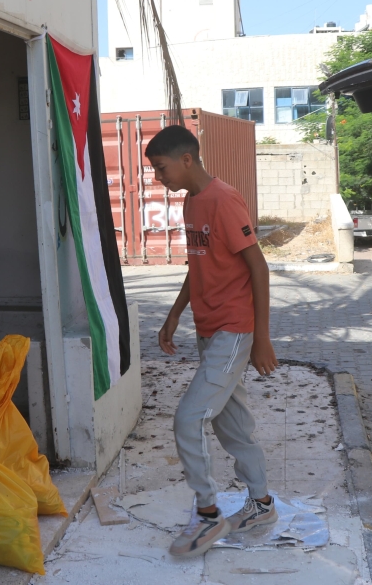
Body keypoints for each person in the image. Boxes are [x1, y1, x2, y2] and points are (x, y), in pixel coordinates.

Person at [146, 125, 278, 557]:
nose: (158, 178)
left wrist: (262, 339)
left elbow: (258, 267)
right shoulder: (192, 203)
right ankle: (260, 505)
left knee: (189, 418)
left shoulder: (223, 199)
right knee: (230, 422)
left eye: (161, 168)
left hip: (234, 330)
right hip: (209, 328)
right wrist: (174, 314)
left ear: (187, 159)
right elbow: (198, 264)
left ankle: (207, 515)